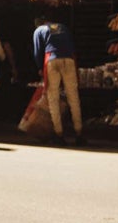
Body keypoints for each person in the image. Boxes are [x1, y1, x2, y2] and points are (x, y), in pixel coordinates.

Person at [33, 13, 85, 145]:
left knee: (53, 98)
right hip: (68, 60)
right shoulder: (62, 27)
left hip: (51, 60)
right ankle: (79, 133)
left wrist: (40, 67)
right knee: (73, 97)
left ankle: (59, 134)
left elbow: (38, 51)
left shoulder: (39, 30)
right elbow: (72, 48)